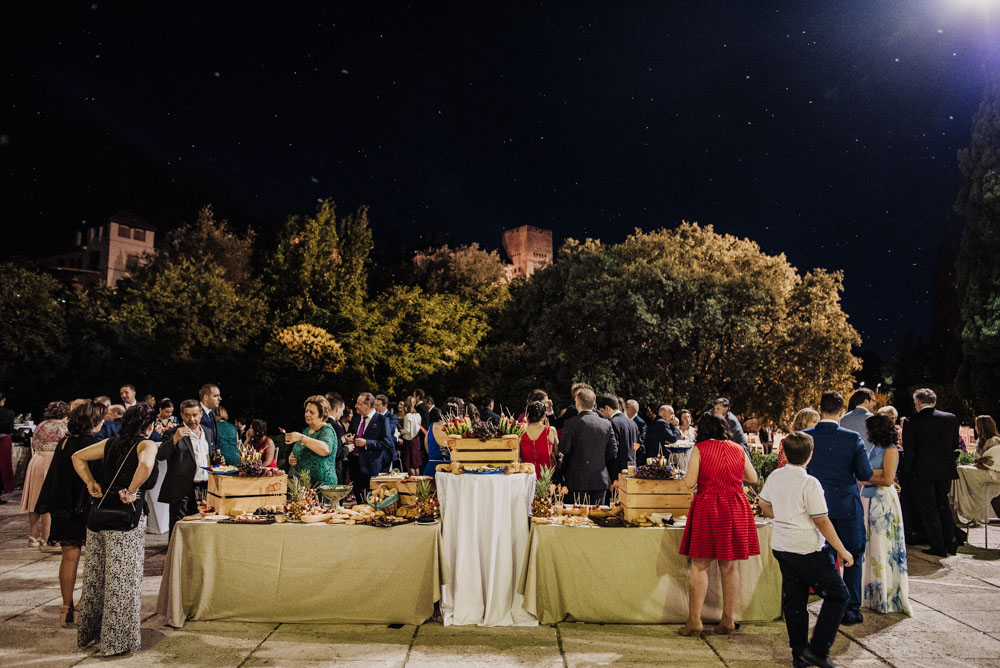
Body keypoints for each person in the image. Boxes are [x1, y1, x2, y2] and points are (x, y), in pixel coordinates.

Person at [757, 431, 852, 668]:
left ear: (785, 453)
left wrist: (782, 516)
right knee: (839, 595)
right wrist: (842, 549)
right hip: (806, 547)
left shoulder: (776, 476)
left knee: (795, 601)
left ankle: (799, 653)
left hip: (781, 544)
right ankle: (818, 650)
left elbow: (763, 503)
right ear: (810, 455)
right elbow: (821, 520)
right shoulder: (809, 482)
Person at [71, 403, 158, 657]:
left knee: (95, 580)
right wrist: (131, 491)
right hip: (125, 520)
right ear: (150, 425)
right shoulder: (147, 444)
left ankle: (89, 634)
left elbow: (77, 457)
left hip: (98, 518)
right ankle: (116, 643)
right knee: (122, 582)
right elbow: (145, 465)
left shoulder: (110, 442)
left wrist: (90, 483)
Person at [678, 411, 759, 636]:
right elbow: (752, 478)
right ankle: (728, 620)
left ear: (702, 429)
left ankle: (695, 620)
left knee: (699, 565)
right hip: (734, 506)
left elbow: (689, 482)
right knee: (730, 566)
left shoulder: (700, 449)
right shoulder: (738, 448)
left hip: (708, 505)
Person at [804, 391, 874, 625]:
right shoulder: (852, 438)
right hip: (846, 505)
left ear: (819, 409)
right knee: (852, 557)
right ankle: (851, 609)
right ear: (842, 412)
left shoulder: (805, 437)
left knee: (822, 559)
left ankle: (829, 605)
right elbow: (865, 474)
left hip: (814, 507)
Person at [35, 400, 105, 626]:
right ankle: (85, 604)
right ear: (94, 422)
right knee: (96, 558)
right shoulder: (92, 444)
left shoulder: (65, 442)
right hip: (86, 506)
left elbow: (55, 475)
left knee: (69, 557)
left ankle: (66, 607)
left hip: (64, 506)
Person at [860, 414, 912, 615]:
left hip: (882, 503)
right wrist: (872, 476)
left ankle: (885, 595)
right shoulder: (876, 448)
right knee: (870, 545)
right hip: (869, 499)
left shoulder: (890, 450)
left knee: (882, 545)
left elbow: (888, 478)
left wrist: (864, 475)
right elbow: (876, 474)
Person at [901, 388, 962, 557]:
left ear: (918, 403)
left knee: (929, 509)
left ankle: (938, 545)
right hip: (944, 470)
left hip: (922, 471)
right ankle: (951, 541)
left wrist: (908, 472)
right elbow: (954, 444)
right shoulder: (950, 419)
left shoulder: (911, 421)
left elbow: (909, 450)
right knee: (943, 505)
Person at [157, 399, 219, 533]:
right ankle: (175, 553)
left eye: (195, 415)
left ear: (201, 414)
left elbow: (210, 454)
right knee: (179, 527)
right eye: (187, 415)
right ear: (181, 415)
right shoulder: (173, 432)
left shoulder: (208, 431)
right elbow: (160, 455)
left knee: (200, 526)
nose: (192, 419)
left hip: (204, 486)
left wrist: (217, 461)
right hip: (181, 488)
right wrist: (174, 440)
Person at [22, 401, 70, 548]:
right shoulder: (63, 428)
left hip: (37, 460)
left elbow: (34, 444)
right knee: (50, 500)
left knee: (34, 499)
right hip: (52, 461)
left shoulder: (41, 425)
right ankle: (47, 537)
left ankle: (33, 534)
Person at [558, 388, 618, 504]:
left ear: (577, 403)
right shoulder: (606, 423)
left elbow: (564, 449)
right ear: (594, 403)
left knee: (576, 519)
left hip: (576, 479)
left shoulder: (571, 423)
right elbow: (613, 452)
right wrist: (598, 460)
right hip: (599, 479)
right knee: (597, 517)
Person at [953, 414, 1000, 524]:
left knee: (960, 471)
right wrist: (981, 461)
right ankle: (962, 509)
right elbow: (979, 460)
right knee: (959, 473)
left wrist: (981, 461)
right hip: (983, 470)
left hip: (994, 473)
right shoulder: (980, 441)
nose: (975, 427)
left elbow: (992, 462)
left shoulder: (994, 440)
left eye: (976, 425)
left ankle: (965, 510)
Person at [286, 395, 338, 486]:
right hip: (304, 485)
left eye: (312, 412)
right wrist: (292, 458)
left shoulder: (326, 430)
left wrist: (302, 438)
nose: (307, 414)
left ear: (322, 415)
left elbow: (325, 450)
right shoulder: (307, 431)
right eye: (306, 411)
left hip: (322, 485)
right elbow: (300, 450)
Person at [348, 393, 391, 499]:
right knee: (358, 495)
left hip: (371, 466)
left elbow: (387, 443)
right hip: (355, 463)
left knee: (371, 497)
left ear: (367, 405)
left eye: (359, 404)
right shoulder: (356, 418)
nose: (356, 406)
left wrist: (367, 443)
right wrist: (350, 439)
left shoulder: (382, 420)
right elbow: (352, 434)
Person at [597, 395, 637, 491]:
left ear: (607, 408)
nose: (602, 415)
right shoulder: (632, 423)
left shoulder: (612, 423)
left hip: (616, 474)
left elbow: (613, 451)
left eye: (602, 411)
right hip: (631, 470)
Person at [520, 400, 559, 477]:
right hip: (547, 480)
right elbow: (556, 453)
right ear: (544, 415)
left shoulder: (521, 432)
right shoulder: (550, 430)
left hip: (527, 478)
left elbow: (519, 458)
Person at [841, 387, 877, 454]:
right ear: (866, 401)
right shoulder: (873, 419)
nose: (875, 404)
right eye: (873, 400)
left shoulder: (843, 418)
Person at [421, 400, 451, 477]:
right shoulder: (456, 427)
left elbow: (426, 445)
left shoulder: (432, 426)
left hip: (431, 467)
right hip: (450, 469)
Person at [325, 394, 349, 483]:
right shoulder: (335, 426)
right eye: (342, 410)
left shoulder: (322, 422)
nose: (342, 414)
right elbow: (338, 452)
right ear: (337, 408)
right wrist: (347, 448)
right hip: (334, 469)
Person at [399, 397, 423, 475]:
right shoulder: (418, 415)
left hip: (409, 441)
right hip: (417, 440)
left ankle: (412, 484)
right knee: (416, 465)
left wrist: (400, 431)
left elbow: (407, 430)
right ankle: (417, 484)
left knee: (410, 465)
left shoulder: (408, 416)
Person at [375, 394, 398, 471]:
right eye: (375, 405)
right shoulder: (374, 416)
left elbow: (388, 432)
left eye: (377, 405)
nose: (375, 407)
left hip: (386, 454)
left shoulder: (392, 417)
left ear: (385, 406)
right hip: (374, 453)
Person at [0, 392, 14, 503]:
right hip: (3, 440)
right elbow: (10, 430)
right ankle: (4, 488)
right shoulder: (8, 413)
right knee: (4, 465)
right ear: (3, 400)